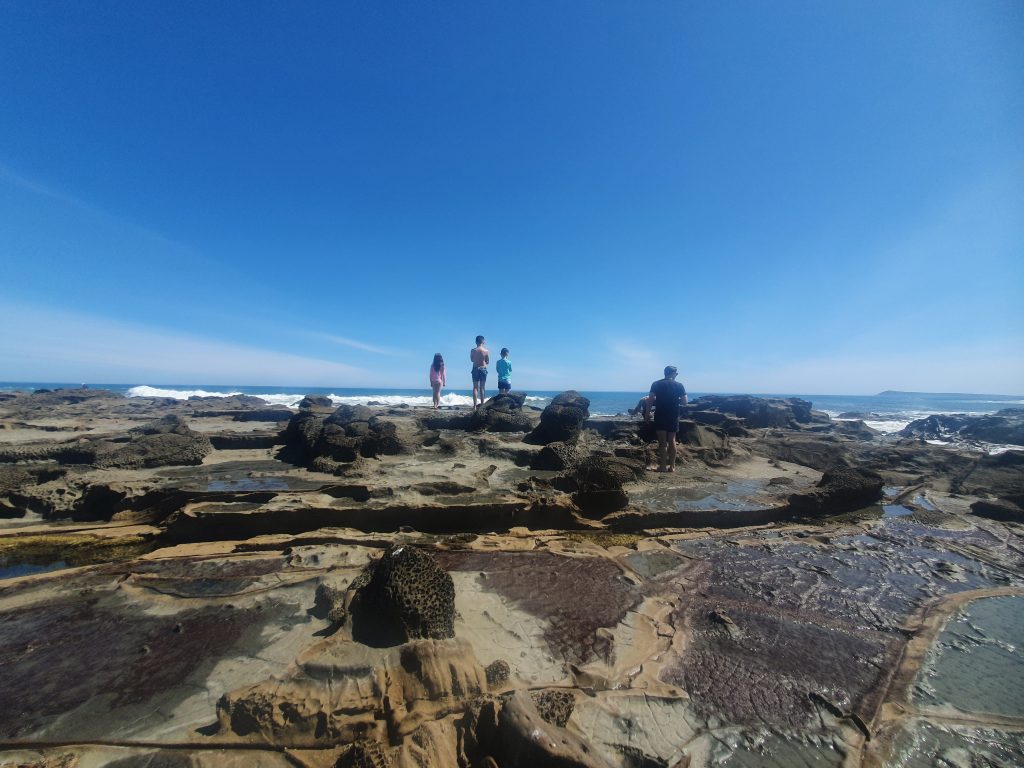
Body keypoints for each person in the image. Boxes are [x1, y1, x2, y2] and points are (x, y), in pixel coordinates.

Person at [648, 365, 687, 472]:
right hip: (673, 415)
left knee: (662, 442)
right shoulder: (679, 385)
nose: (677, 375)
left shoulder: (656, 384)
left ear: (665, 373)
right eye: (676, 373)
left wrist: (647, 413)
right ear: (673, 373)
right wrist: (674, 400)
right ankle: (672, 467)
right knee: (672, 440)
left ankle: (663, 466)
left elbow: (650, 400)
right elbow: (685, 402)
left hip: (660, 414)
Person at [470, 335, 490, 407]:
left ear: (476, 342)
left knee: (475, 388)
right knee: (482, 388)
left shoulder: (473, 350)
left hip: (475, 368)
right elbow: (487, 361)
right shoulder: (486, 351)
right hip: (483, 369)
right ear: (483, 341)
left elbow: (472, 360)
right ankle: (482, 405)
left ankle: (475, 406)